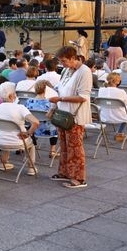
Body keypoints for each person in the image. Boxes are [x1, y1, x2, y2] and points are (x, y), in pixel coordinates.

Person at [49, 46, 92, 189]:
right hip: (63, 113)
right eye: (61, 61)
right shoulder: (67, 70)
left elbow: (83, 97)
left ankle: (79, 178)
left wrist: (60, 99)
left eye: (64, 61)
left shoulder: (84, 72)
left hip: (75, 115)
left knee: (75, 147)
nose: (63, 64)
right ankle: (65, 172)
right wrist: (55, 105)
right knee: (64, 145)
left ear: (74, 58)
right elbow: (60, 88)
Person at [0, 82, 39, 175]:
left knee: (5, 133)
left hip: (0, 142)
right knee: (31, 143)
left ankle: (3, 163)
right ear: (12, 95)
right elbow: (36, 122)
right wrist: (28, 133)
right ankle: (31, 168)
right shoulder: (20, 108)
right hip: (18, 141)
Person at [98, 72, 127, 139]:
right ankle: (120, 133)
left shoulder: (101, 90)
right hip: (119, 116)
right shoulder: (121, 91)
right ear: (117, 82)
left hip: (104, 116)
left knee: (126, 108)